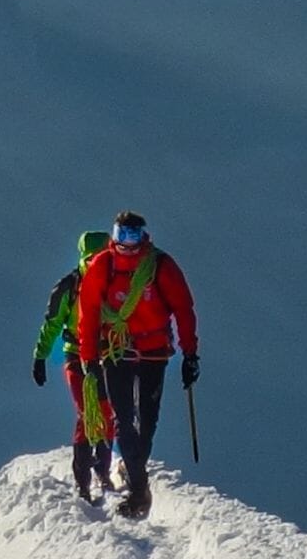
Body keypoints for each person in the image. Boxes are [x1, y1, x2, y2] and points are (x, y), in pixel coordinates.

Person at [74, 210, 197, 519]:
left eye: (133, 235)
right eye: (122, 236)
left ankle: (133, 473)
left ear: (144, 235)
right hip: (118, 351)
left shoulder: (160, 266)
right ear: (114, 236)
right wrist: (88, 357)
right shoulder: (103, 266)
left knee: (147, 419)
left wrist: (190, 352)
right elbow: (88, 315)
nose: (128, 244)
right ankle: (139, 489)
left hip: (153, 350)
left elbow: (183, 308)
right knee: (124, 419)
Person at [26, 228, 110, 506]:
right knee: (91, 412)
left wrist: (41, 357)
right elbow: (52, 323)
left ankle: (99, 471)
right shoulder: (73, 286)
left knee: (105, 412)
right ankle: (86, 479)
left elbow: (51, 323)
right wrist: (40, 356)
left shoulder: (113, 282)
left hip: (106, 353)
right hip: (80, 353)